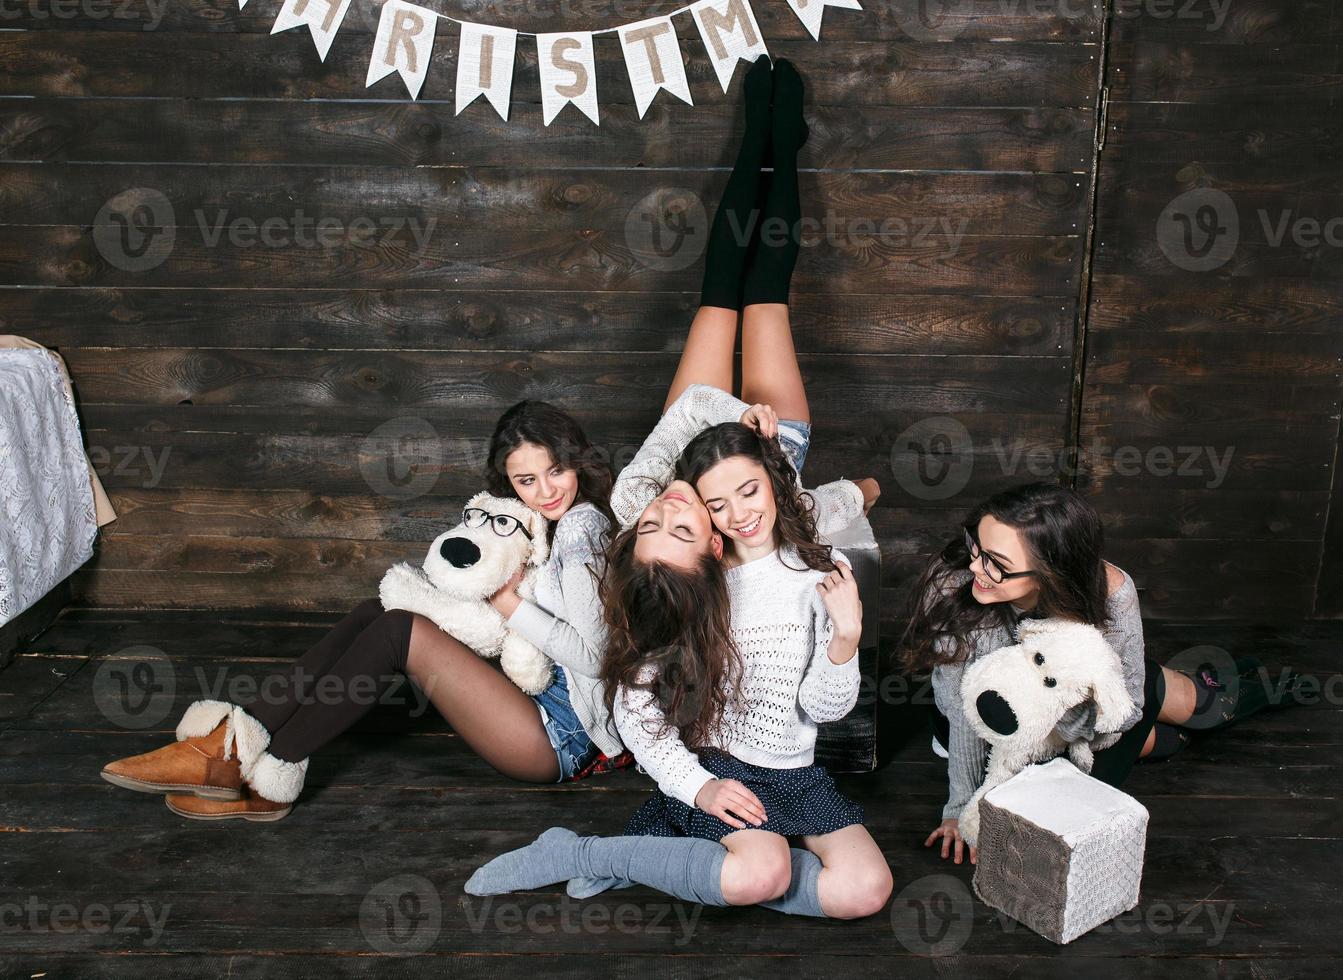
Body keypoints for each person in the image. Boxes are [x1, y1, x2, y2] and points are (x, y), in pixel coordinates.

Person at [463, 57, 892, 920]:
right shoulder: (694, 545)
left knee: (739, 284)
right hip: (759, 445)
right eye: (683, 521)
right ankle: (771, 142)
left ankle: (773, 145)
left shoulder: (653, 500)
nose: (678, 512)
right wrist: (793, 466)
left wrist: (746, 449)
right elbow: (811, 518)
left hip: (717, 431)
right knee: (747, 292)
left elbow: (773, 493)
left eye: (669, 517)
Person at [100, 401, 628, 820]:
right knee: (378, 607)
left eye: (555, 470)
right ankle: (235, 744)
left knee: (400, 630)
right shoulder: (530, 524)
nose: (545, 491)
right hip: (527, 706)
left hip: (558, 735)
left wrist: (509, 604)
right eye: (525, 480)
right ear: (507, 484)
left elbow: (597, 657)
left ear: (575, 460)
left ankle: (259, 764)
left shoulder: (583, 531)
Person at [903, 481, 1307, 865]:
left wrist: (1061, 719)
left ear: (1051, 572)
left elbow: (1126, 706)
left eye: (997, 564)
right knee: (1162, 745)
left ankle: (1258, 688)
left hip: (1084, 719)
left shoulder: (1110, 591)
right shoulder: (955, 581)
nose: (976, 565)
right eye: (977, 544)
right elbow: (962, 711)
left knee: (1206, 708)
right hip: (989, 729)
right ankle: (1182, 719)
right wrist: (958, 807)